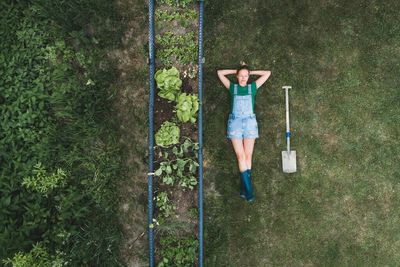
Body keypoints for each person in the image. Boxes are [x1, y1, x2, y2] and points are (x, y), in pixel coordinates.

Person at [217, 65, 271, 202]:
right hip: (235, 123)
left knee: (248, 156)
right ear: (237, 76)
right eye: (240, 76)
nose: (243, 78)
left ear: (248, 77)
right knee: (241, 157)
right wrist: (234, 70)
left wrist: (251, 72)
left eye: (245, 76)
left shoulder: (252, 87)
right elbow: (220, 73)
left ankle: (244, 189)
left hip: (250, 123)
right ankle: (249, 191)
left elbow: (267, 73)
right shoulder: (233, 87)